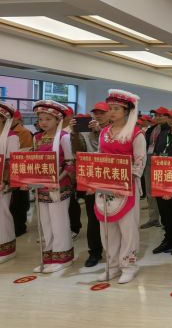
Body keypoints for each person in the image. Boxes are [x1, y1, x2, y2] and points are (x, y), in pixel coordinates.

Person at [90, 90, 146, 284]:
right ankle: (112, 266)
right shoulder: (104, 132)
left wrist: (124, 179)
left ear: (126, 111)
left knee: (128, 229)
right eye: (110, 108)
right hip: (105, 187)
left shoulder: (136, 133)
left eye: (116, 109)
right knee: (107, 228)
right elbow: (99, 156)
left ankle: (129, 265)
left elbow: (139, 162)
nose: (111, 112)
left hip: (127, 188)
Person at [31, 100, 75, 273]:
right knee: (46, 223)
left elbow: (70, 164)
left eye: (48, 119)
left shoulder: (64, 137)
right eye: (41, 119)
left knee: (59, 222)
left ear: (58, 120)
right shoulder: (37, 138)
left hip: (58, 186)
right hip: (42, 186)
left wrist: (57, 180)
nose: (43, 122)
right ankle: (48, 257)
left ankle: (63, 258)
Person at [69, 102, 111, 267]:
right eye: (96, 113)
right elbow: (77, 150)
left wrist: (99, 132)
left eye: (102, 113)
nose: (98, 116)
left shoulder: (114, 130)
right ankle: (94, 252)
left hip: (110, 177)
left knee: (113, 218)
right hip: (91, 178)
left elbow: (110, 151)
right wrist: (74, 133)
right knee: (93, 217)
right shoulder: (85, 130)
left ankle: (115, 253)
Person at [151, 108, 172, 255]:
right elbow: (156, 153)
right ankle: (168, 239)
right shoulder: (163, 134)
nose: (171, 120)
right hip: (160, 178)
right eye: (169, 117)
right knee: (164, 211)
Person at [0, 102, 21, 264]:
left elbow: (12, 161)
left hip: (3, 182)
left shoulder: (11, 136)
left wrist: (5, 180)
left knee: (2, 215)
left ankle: (6, 249)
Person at [142, 107, 169, 229]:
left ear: (167, 117)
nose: (157, 117)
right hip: (149, 161)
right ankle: (153, 218)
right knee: (150, 192)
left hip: (163, 163)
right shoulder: (152, 129)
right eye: (156, 115)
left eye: (161, 115)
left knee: (163, 192)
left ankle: (166, 220)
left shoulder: (170, 130)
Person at [9, 110, 32, 237]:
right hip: (8, 170)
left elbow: (25, 153)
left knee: (19, 201)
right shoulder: (5, 131)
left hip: (20, 170)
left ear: (18, 119)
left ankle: (20, 227)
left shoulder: (23, 132)